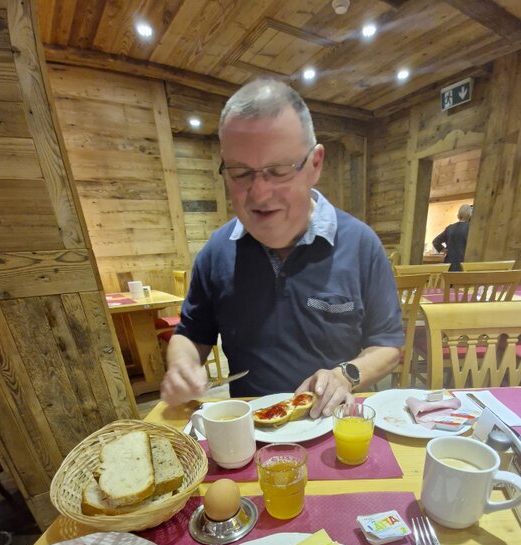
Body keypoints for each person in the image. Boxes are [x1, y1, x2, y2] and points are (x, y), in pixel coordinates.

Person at [160, 79, 403, 418]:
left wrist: (345, 375)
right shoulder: (216, 252)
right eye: (240, 173)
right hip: (249, 430)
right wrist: (182, 366)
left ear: (315, 164)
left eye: (278, 171)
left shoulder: (361, 244)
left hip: (334, 425)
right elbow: (191, 335)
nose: (259, 194)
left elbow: (388, 345)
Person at [432, 204, 472, 272]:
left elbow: (436, 242)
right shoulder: (471, 228)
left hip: (448, 264)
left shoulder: (450, 228)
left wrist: (445, 250)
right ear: (469, 215)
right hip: (463, 265)